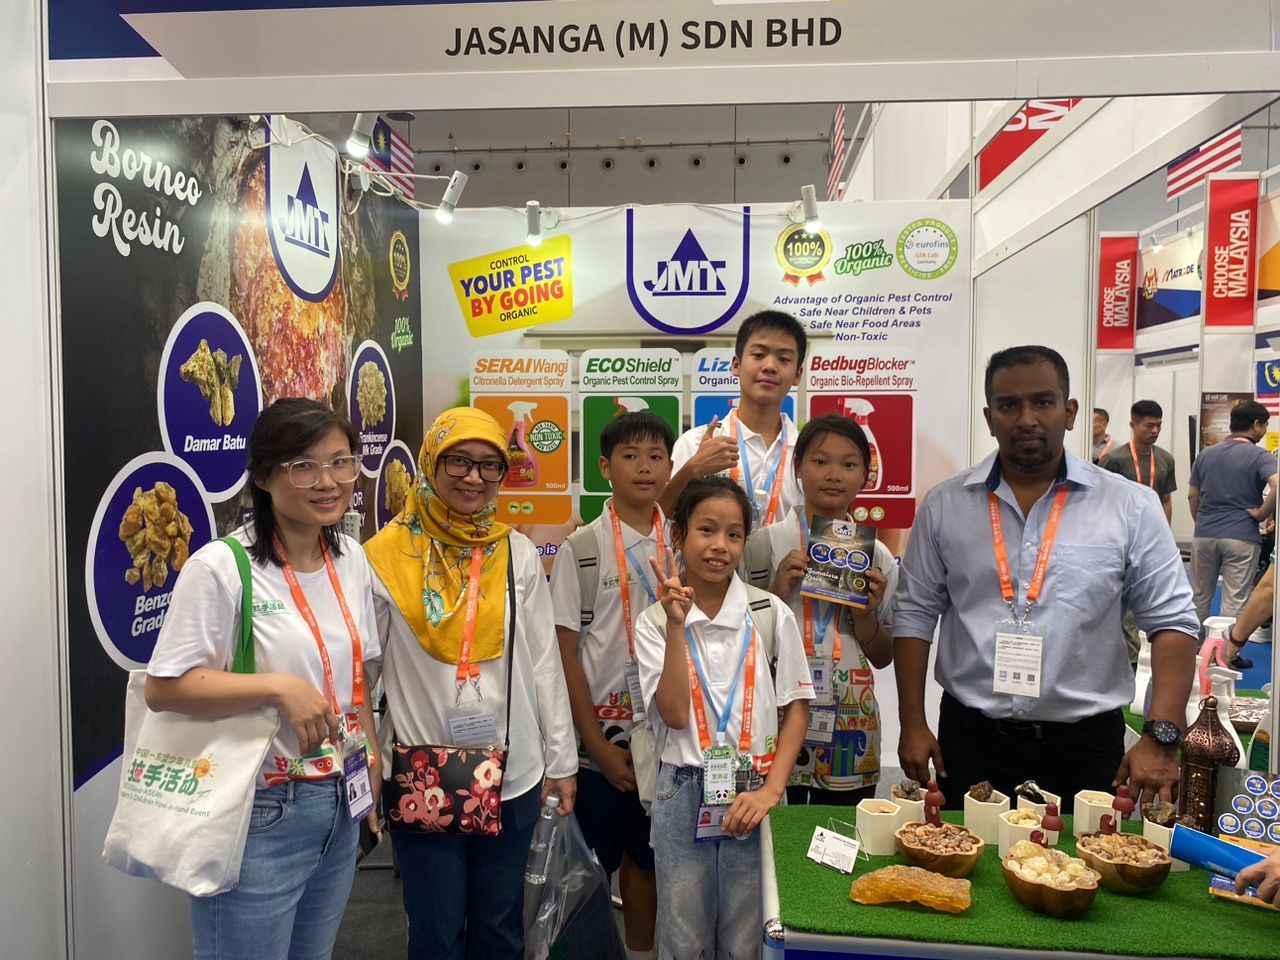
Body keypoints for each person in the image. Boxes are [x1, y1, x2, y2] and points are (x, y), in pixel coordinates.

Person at [893, 345, 1199, 812]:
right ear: (989, 417)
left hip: (1085, 744)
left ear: (1070, 412)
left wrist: (1161, 734)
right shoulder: (944, 506)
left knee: (1085, 857)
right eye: (1008, 405)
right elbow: (914, 616)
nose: (1026, 419)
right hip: (972, 739)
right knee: (965, 855)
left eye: (1043, 402)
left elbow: (1173, 621)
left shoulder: (1130, 506)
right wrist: (912, 723)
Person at [146, 398, 381, 960]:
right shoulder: (222, 568)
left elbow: (353, 682)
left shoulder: (349, 558)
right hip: (261, 809)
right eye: (303, 466)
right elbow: (164, 687)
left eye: (341, 462)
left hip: (338, 801)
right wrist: (277, 687)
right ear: (264, 477)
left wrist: (367, 771)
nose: (328, 481)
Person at [364, 407, 577, 960]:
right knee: (435, 932)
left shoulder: (515, 552)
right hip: (422, 772)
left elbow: (544, 662)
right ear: (431, 463)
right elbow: (363, 675)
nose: (474, 478)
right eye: (458, 461)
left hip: (513, 771)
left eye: (489, 465)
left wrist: (562, 762)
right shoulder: (383, 558)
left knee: (500, 928)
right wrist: (367, 763)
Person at [634, 476, 812, 960]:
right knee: (683, 936)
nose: (720, 546)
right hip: (682, 787)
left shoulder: (770, 613)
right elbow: (674, 714)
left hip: (754, 790)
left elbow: (798, 706)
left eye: (734, 535)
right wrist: (677, 627)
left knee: (746, 935)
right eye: (706, 530)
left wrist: (772, 790)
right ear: (678, 535)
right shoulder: (655, 623)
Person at [550, 412, 675, 960]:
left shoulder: (685, 542)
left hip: (668, 740)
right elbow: (565, 655)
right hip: (598, 742)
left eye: (656, 456)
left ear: (670, 466)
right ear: (604, 466)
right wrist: (597, 746)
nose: (644, 467)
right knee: (591, 869)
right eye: (630, 455)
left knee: (648, 865)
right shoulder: (582, 548)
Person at [742, 414, 897, 805]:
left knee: (841, 833)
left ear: (864, 476)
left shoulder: (878, 558)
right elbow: (736, 647)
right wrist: (777, 591)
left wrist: (865, 614)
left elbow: (882, 656)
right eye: (820, 461)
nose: (834, 474)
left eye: (849, 464)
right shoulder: (760, 547)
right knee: (776, 831)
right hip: (775, 716)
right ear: (798, 467)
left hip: (850, 724)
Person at [662, 310, 806, 527]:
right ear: (736, 365)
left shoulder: (806, 453)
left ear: (797, 375)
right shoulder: (696, 443)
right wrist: (692, 470)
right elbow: (659, 521)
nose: (770, 366)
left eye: (784, 359)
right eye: (759, 355)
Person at [1188, 400, 1279, 632]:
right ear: (1256, 425)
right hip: (1242, 536)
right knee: (1235, 600)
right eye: (1265, 425)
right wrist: (1261, 513)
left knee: (1198, 597)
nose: (1265, 430)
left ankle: (1194, 647)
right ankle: (1223, 651)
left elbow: (1192, 495)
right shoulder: (1261, 456)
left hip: (1204, 534)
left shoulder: (1205, 454)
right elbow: (1277, 485)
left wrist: (1201, 522)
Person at [1098, 400, 1176, 523]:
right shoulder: (1114, 460)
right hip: (1123, 526)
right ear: (1133, 425)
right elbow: (1102, 500)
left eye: (1158, 425)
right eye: (1149, 426)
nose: (1155, 430)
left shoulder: (1166, 459)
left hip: (1153, 527)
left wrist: (1166, 530)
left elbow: (1166, 500)